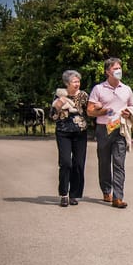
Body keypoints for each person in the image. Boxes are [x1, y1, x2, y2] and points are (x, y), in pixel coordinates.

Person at [87, 57, 133, 209]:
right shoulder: (98, 89)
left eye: (119, 68)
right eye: (115, 69)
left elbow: (132, 107)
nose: (118, 71)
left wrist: (129, 114)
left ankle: (118, 197)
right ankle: (106, 190)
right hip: (103, 129)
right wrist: (102, 110)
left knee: (119, 163)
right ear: (107, 71)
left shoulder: (127, 89)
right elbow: (89, 111)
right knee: (104, 162)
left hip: (120, 129)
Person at [50, 70, 88, 207]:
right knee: (66, 163)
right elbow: (52, 116)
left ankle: (74, 194)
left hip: (80, 133)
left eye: (78, 81)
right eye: (74, 81)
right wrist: (59, 105)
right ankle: (64, 194)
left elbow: (89, 112)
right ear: (67, 83)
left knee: (78, 163)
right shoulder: (59, 95)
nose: (77, 84)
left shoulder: (84, 95)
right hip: (63, 132)